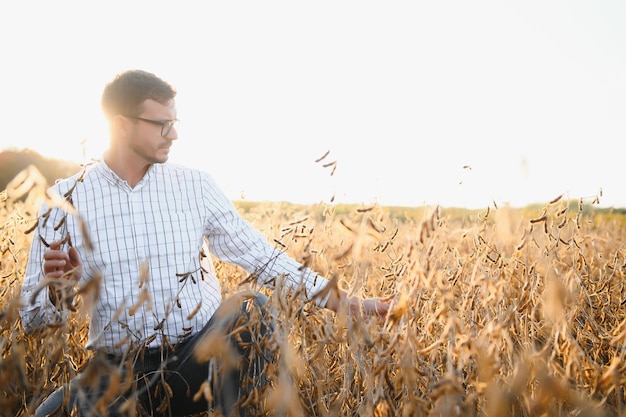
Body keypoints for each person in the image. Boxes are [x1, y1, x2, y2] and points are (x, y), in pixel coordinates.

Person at [20, 69, 390, 417]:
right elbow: (33, 321)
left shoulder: (194, 186)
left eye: (174, 123)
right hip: (116, 373)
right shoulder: (63, 199)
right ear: (121, 126)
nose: (173, 134)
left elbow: (261, 256)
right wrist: (58, 290)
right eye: (162, 125)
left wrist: (346, 302)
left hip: (197, 358)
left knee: (253, 309)